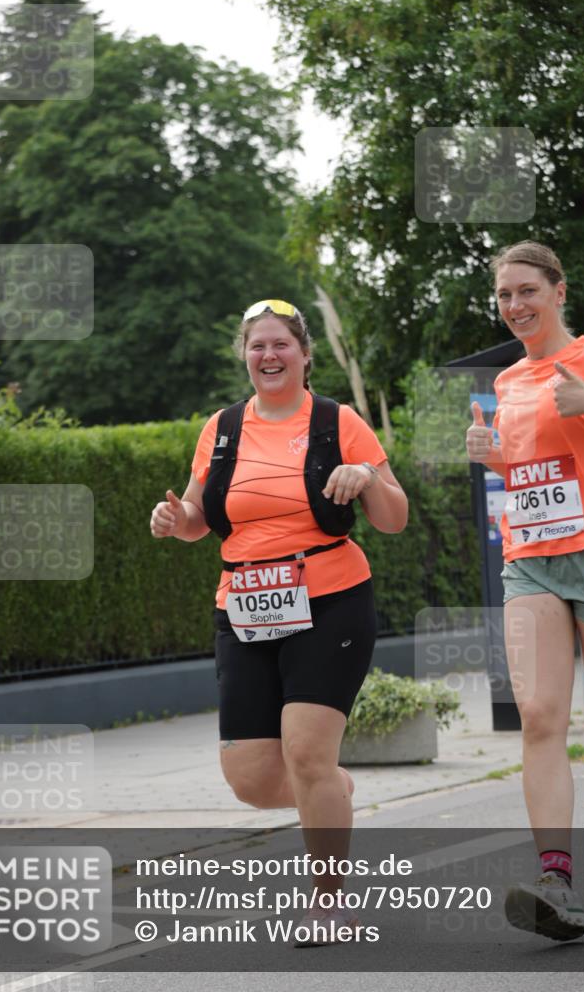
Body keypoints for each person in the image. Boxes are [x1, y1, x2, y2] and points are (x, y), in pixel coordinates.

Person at [151, 298, 408, 944]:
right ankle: (332, 788)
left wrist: (364, 478)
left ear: (302, 354)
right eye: (256, 346)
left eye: (280, 345)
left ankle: (328, 901)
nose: (267, 356)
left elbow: (393, 516)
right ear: (244, 355)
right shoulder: (222, 428)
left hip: (330, 600)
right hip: (243, 607)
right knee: (250, 778)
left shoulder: (336, 421)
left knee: (303, 751)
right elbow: (196, 515)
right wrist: (175, 521)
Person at [466, 241, 584, 942]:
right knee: (540, 716)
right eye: (502, 296)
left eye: (526, 291)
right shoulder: (507, 383)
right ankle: (557, 883)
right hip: (529, 561)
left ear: (558, 291)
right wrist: (497, 458)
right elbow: (533, 465)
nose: (514, 306)